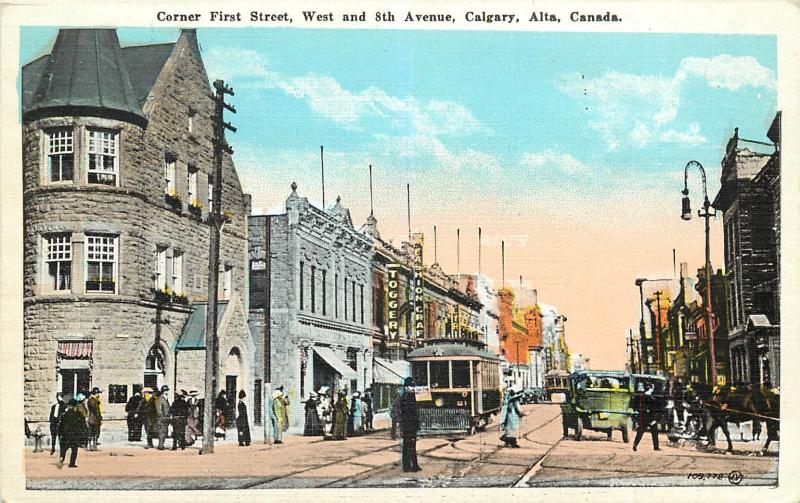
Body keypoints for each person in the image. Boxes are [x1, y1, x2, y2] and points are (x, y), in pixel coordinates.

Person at [398, 377, 421, 472]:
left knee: (407, 446)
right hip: (410, 425)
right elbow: (413, 413)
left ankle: (407, 466)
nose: (412, 388)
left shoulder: (404, 396)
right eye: (411, 386)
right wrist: (417, 424)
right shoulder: (410, 396)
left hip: (406, 425)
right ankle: (413, 466)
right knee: (411, 446)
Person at [57, 398, 86, 468]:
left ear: (69, 405)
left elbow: (61, 425)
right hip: (75, 433)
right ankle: (72, 463)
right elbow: (82, 423)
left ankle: (62, 457)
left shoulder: (64, 414)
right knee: (74, 449)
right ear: (75, 406)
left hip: (66, 433)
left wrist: (60, 433)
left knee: (65, 447)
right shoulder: (78, 414)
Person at [633, 383, 661, 452]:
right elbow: (654, 408)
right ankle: (656, 447)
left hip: (644, 416)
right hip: (649, 417)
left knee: (641, 431)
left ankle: (635, 444)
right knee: (653, 431)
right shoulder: (650, 397)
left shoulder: (641, 396)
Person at [156, 385, 171, 450]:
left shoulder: (165, 398)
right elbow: (159, 410)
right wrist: (162, 417)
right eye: (166, 390)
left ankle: (162, 445)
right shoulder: (160, 399)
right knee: (162, 432)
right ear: (163, 391)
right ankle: (160, 445)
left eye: (167, 390)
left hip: (166, 418)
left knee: (164, 432)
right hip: (162, 419)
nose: (167, 391)